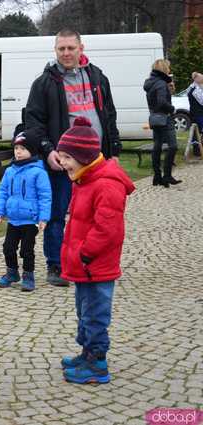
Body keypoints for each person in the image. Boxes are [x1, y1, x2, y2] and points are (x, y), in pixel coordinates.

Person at [25, 29, 121, 287]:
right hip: (63, 162)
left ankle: (91, 262)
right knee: (57, 214)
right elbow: (33, 123)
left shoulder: (97, 77)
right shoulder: (44, 83)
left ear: (81, 48)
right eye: (61, 49)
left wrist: (114, 152)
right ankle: (56, 264)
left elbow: (109, 115)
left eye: (71, 48)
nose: (66, 53)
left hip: (96, 162)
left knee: (96, 216)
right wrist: (48, 150)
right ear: (55, 50)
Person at [55, 117, 135, 384]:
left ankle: (98, 363)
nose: (62, 163)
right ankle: (87, 353)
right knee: (84, 310)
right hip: (85, 265)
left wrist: (85, 253)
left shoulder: (105, 184)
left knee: (96, 313)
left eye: (66, 157)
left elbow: (107, 229)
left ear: (84, 157)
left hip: (95, 265)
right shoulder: (85, 179)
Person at [0, 131, 52, 292]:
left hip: (30, 220)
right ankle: (12, 272)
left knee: (27, 249)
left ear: (32, 151)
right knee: (8, 247)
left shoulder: (39, 173)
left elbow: (45, 197)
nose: (18, 152)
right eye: (16, 148)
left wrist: (43, 218)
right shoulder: (10, 171)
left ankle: (28, 275)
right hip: (13, 219)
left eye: (22, 149)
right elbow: (3, 192)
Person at [144, 59, 182, 187]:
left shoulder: (151, 83)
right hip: (165, 118)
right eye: (168, 68)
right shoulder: (161, 83)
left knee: (157, 146)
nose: (169, 70)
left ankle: (157, 176)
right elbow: (161, 102)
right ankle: (167, 175)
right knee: (173, 146)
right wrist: (172, 109)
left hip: (154, 118)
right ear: (164, 69)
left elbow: (156, 101)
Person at [187, 72, 203, 157]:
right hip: (198, 113)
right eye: (201, 78)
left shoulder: (191, 87)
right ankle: (198, 151)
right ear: (196, 79)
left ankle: (197, 150)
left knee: (196, 133)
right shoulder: (196, 89)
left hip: (194, 112)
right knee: (199, 132)